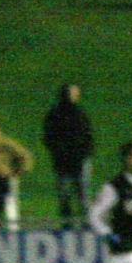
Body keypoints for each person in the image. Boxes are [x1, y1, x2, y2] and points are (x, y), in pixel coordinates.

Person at [43, 84, 95, 222]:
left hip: (68, 161)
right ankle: (82, 225)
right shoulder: (76, 114)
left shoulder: (56, 114)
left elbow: (48, 138)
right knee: (77, 196)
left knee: (72, 196)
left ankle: (71, 225)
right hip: (69, 161)